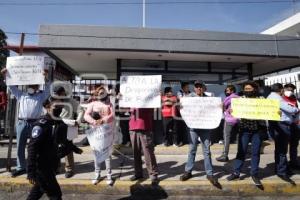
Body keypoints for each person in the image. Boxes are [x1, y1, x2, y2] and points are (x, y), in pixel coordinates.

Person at [1, 67, 50, 177]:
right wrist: (5, 75)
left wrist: (45, 76)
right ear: (28, 86)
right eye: (31, 85)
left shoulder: (40, 96)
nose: (32, 87)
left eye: (34, 85)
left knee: (35, 146)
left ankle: (35, 167)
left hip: (35, 124)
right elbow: (11, 86)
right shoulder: (21, 95)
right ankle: (21, 167)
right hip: (22, 123)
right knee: (20, 146)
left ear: (37, 87)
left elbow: (48, 88)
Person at [226, 81, 266, 187]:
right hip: (244, 130)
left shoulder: (261, 100)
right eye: (246, 89)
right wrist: (231, 110)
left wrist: (276, 112)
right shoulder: (240, 100)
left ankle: (254, 174)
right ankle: (236, 173)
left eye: (249, 89)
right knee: (241, 152)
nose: (247, 90)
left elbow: (268, 111)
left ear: (254, 89)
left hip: (257, 130)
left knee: (255, 152)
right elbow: (233, 111)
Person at [180, 80, 219, 186]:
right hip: (193, 127)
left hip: (205, 128)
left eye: (200, 86)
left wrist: (220, 107)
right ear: (194, 88)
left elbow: (214, 109)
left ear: (204, 88)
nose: (199, 88)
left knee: (206, 151)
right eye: (197, 86)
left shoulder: (209, 99)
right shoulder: (188, 98)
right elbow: (183, 108)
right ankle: (188, 171)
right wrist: (181, 107)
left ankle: (209, 173)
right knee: (192, 149)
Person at [26, 98, 63, 200]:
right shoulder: (41, 124)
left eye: (60, 106)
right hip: (41, 167)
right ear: (48, 107)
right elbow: (32, 147)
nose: (59, 109)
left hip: (49, 165)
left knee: (37, 192)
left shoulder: (55, 122)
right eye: (56, 107)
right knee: (55, 194)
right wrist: (31, 170)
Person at [267, 83, 299, 182]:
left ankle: (282, 169)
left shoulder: (270, 97)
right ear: (281, 90)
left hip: (277, 125)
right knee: (282, 151)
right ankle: (282, 172)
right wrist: (296, 108)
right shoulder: (277, 98)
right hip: (281, 125)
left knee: (279, 150)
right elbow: (290, 109)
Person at [84, 86, 114, 185]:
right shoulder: (92, 104)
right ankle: (97, 174)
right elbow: (86, 115)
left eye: (104, 93)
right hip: (96, 133)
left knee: (107, 154)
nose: (103, 94)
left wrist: (103, 120)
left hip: (106, 132)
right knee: (96, 154)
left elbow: (112, 115)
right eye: (101, 93)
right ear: (97, 94)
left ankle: (109, 175)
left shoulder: (110, 104)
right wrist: (94, 121)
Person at [53, 86, 84, 178]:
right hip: (56, 126)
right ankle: (56, 167)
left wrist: (78, 121)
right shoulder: (53, 100)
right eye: (56, 94)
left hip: (67, 127)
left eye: (60, 93)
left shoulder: (70, 101)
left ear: (63, 93)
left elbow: (81, 110)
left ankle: (69, 169)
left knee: (68, 148)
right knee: (55, 147)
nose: (58, 95)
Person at [128, 108, 159, 185]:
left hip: (145, 126)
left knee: (148, 153)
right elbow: (125, 109)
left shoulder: (149, 97)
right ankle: (138, 173)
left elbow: (153, 110)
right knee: (136, 152)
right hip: (133, 126)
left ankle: (153, 175)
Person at [216, 85, 239, 162]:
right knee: (238, 138)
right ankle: (240, 155)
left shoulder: (229, 98)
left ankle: (225, 155)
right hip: (238, 120)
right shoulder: (238, 97)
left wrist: (222, 106)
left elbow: (223, 107)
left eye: (228, 91)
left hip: (229, 120)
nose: (226, 92)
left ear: (232, 91)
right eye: (226, 91)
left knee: (226, 137)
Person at [282, 83, 300, 170]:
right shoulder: (281, 99)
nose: (290, 92)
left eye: (292, 90)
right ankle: (284, 165)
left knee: (294, 145)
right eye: (288, 90)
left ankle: (294, 162)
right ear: (284, 89)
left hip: (294, 125)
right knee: (283, 146)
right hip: (284, 125)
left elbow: (296, 111)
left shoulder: (294, 99)